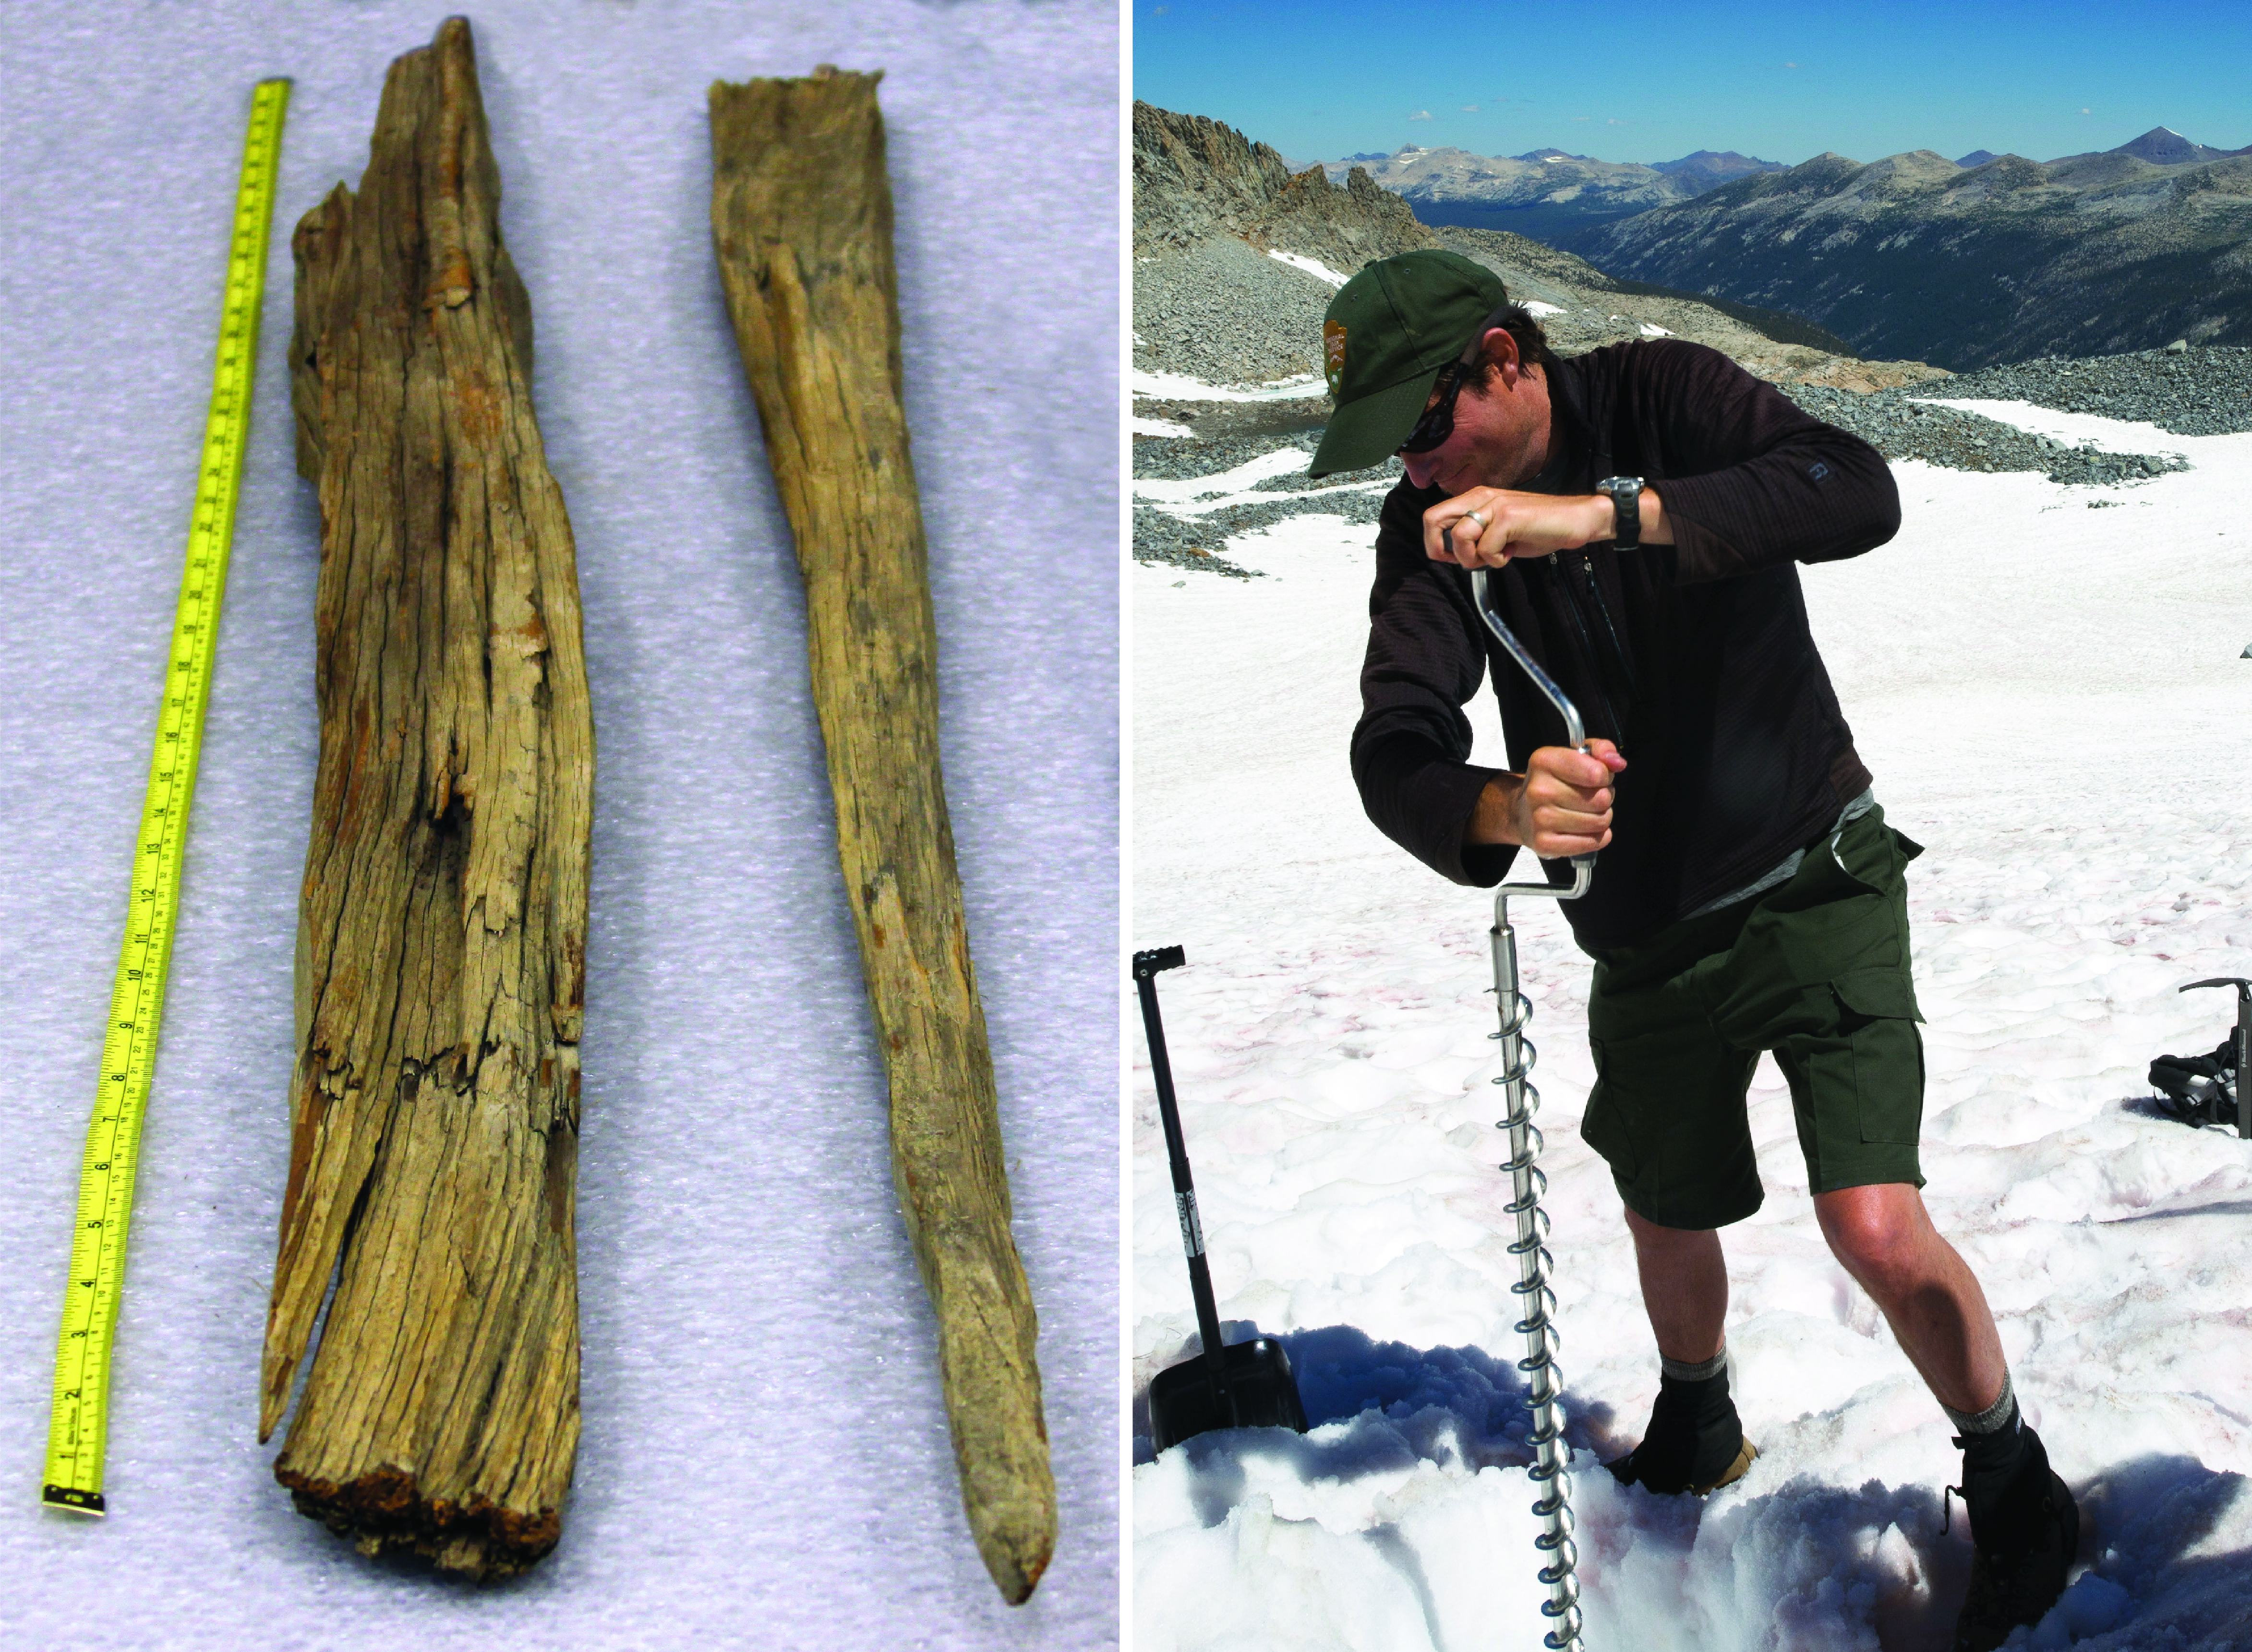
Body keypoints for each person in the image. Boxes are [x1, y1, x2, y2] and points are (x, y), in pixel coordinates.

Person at [1308, 249, 2078, 1651]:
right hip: (1643, 931)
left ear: (1500, 359)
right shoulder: (1423, 527)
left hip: (1813, 878)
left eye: (1422, 429)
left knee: (1871, 1222)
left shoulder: (1661, 392)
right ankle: (1699, 1413)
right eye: (1391, 452)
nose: (1415, 474)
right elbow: (1392, 741)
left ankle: (2014, 1471)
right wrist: (1497, 803)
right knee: (1667, 1197)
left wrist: (1600, 518)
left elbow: (1853, 488)